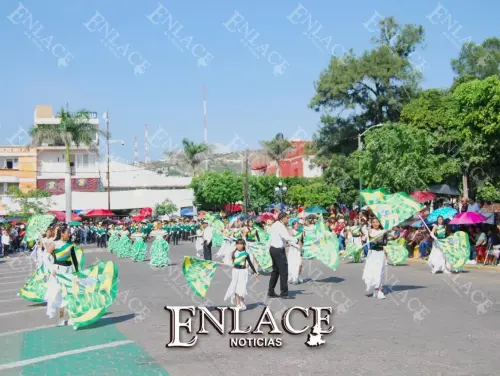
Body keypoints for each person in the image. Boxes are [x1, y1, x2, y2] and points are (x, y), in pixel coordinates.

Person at [45, 225, 79, 326]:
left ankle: (68, 318)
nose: (69, 234)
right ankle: (60, 319)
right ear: (62, 233)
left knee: (69, 294)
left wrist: (76, 274)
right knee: (59, 295)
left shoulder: (70, 244)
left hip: (69, 272)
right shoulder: (55, 244)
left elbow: (74, 260)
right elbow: (45, 258)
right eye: (67, 232)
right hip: (58, 272)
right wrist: (52, 269)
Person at [268, 212, 299, 299]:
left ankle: (271, 291)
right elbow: (286, 237)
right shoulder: (280, 226)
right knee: (283, 272)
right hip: (278, 250)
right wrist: (296, 240)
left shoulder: (275, 224)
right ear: (283, 218)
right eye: (287, 218)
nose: (288, 220)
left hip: (273, 249)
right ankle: (284, 293)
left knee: (275, 271)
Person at [224, 239, 259, 311]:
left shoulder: (246, 254)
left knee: (242, 287)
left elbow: (250, 263)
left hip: (243, 272)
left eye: (240, 244)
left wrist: (255, 272)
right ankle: (237, 304)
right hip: (235, 271)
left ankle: (241, 301)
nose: (239, 246)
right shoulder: (233, 253)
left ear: (243, 245)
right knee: (236, 287)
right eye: (237, 244)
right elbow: (230, 263)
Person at [362, 217, 387, 299]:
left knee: (380, 271)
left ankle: (378, 290)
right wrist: (384, 231)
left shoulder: (383, 231)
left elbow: (384, 243)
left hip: (381, 253)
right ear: (371, 223)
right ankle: (378, 290)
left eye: (377, 222)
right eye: (374, 222)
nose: (375, 224)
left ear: (380, 223)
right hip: (373, 254)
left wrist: (385, 233)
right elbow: (372, 236)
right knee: (374, 271)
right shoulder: (370, 231)